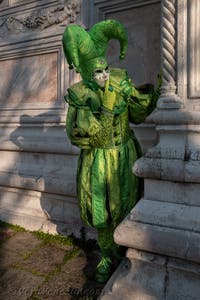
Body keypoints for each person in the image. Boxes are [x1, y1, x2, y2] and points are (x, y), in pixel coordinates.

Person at [62, 19, 160, 283]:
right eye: (97, 72)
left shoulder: (120, 81)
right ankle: (107, 253)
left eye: (105, 69)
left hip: (125, 154)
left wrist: (150, 94)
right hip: (98, 161)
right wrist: (105, 106)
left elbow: (138, 115)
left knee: (126, 202)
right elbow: (92, 136)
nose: (104, 75)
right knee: (101, 209)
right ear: (85, 73)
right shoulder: (81, 97)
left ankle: (126, 247)